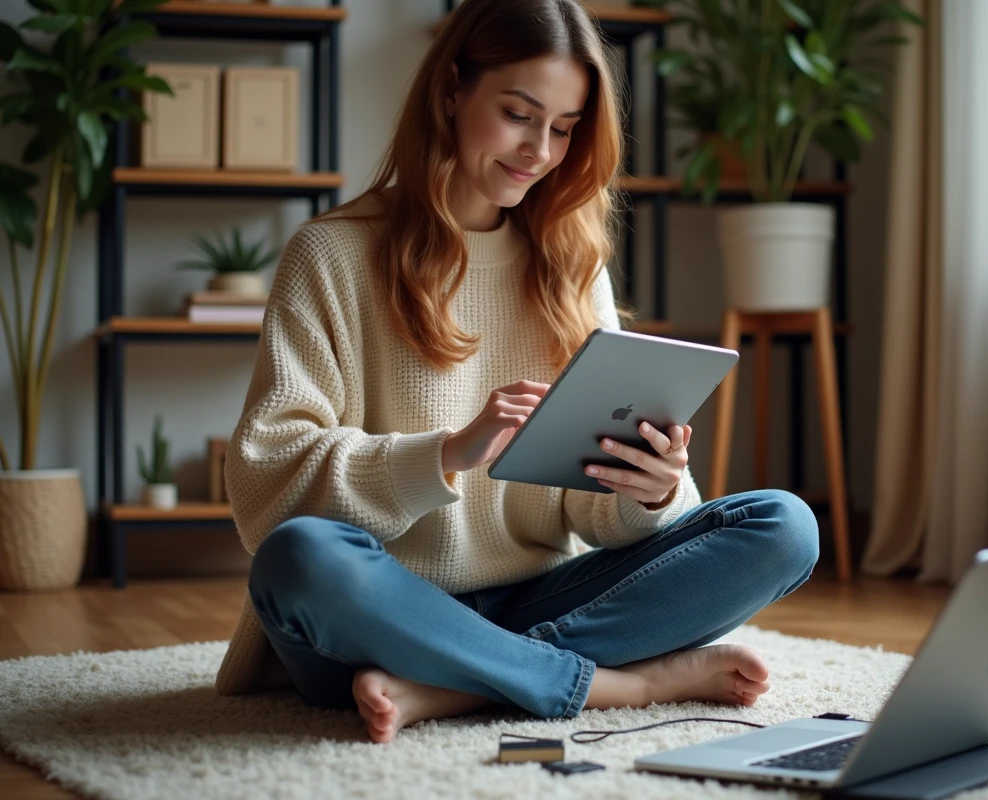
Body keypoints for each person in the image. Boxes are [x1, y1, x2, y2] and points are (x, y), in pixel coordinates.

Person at [214, 0, 819, 745]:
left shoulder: (569, 266)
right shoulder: (330, 256)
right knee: (298, 558)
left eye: (564, 129)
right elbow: (264, 482)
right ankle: (613, 683)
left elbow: (589, 515)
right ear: (451, 93)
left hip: (537, 599)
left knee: (784, 527)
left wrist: (650, 488)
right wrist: (443, 456)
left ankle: (452, 688)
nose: (540, 149)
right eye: (519, 114)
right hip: (379, 613)